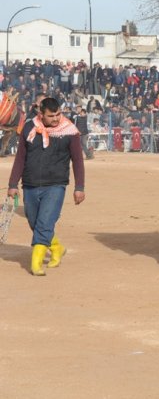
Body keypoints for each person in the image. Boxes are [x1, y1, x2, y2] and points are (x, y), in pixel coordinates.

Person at [7, 97, 86, 276]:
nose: (56, 119)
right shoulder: (29, 127)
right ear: (40, 114)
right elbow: (20, 157)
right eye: (51, 116)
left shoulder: (70, 131)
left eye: (58, 114)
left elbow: (78, 161)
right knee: (34, 221)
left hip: (56, 185)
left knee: (44, 222)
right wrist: (13, 184)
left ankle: (36, 263)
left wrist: (79, 186)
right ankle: (56, 248)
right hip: (30, 184)